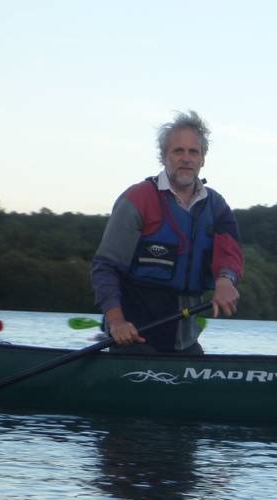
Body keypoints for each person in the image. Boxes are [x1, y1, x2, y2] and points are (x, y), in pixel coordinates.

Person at [91, 110, 244, 354]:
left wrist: (226, 280)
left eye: (193, 152)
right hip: (134, 338)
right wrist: (116, 321)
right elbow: (105, 267)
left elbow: (230, 254)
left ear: (202, 159)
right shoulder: (138, 198)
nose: (186, 158)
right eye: (178, 151)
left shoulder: (216, 205)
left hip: (186, 342)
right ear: (164, 156)